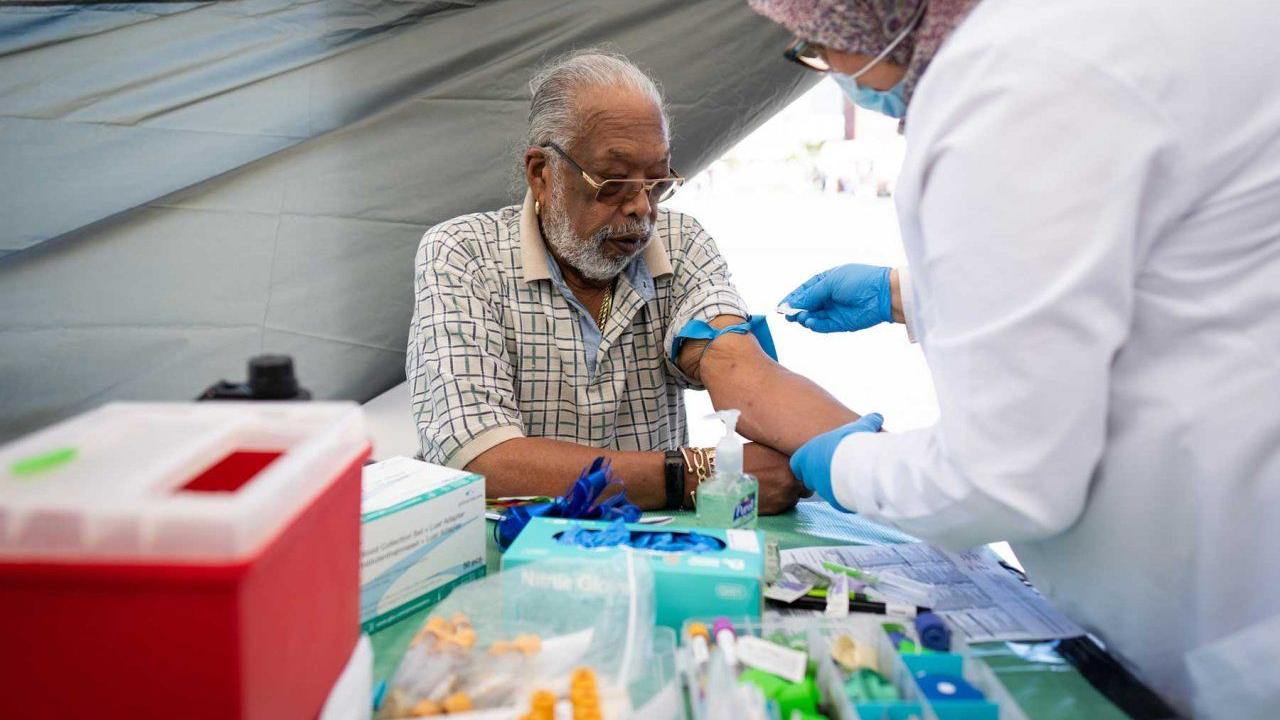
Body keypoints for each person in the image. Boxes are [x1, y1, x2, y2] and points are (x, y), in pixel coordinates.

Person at [750, 0, 1280, 714]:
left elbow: (1005, 476)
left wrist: (840, 459)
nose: (828, 66)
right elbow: (1147, 266)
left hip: (1232, 608)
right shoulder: (1088, 34)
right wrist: (909, 294)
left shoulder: (1007, 81)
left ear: (880, 16)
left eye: (818, 43)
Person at [406, 50, 863, 514]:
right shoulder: (464, 254)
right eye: (613, 182)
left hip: (650, 556)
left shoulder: (680, 244)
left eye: (657, 181)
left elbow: (741, 372)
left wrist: (879, 461)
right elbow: (483, 463)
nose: (642, 208)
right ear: (542, 174)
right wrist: (694, 474)